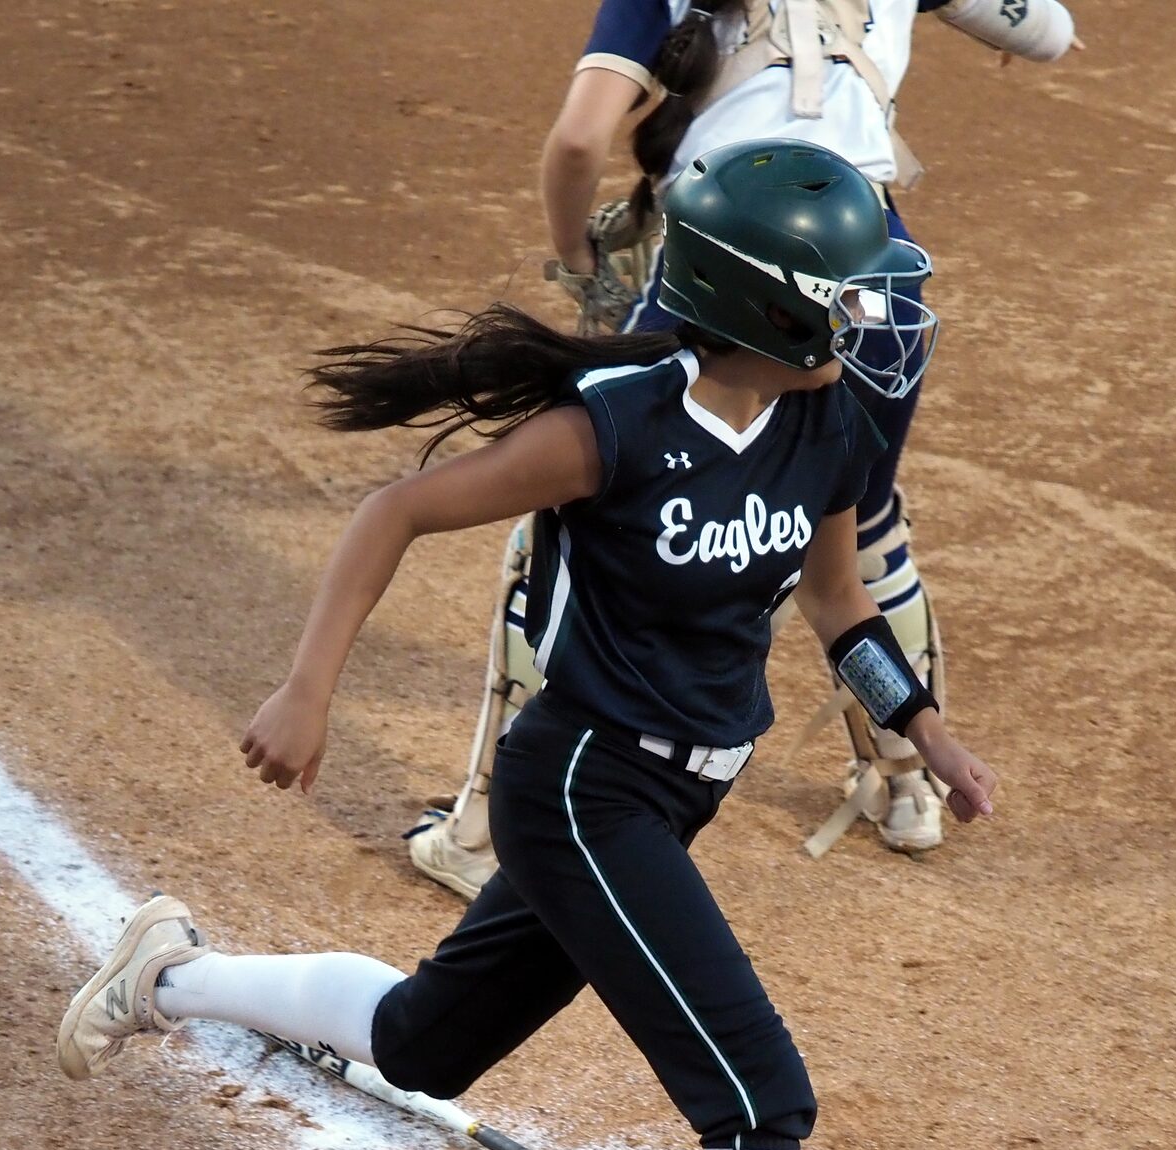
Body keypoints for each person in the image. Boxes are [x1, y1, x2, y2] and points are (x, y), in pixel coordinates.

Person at [60, 141, 994, 1150]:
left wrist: (917, 724)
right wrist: (306, 686)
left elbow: (838, 610)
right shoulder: (610, 426)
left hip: (680, 795)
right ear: (769, 310)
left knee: (431, 1042)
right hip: (580, 786)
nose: (868, 320)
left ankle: (165, 973)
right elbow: (396, 510)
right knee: (755, 1094)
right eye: (843, 296)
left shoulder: (833, 430)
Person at [406, 0, 1076, 899]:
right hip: (877, 282)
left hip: (735, 277)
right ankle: (905, 782)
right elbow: (1047, 29)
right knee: (859, 521)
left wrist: (583, 268)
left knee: (581, 514)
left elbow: (578, 142)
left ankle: (488, 830)